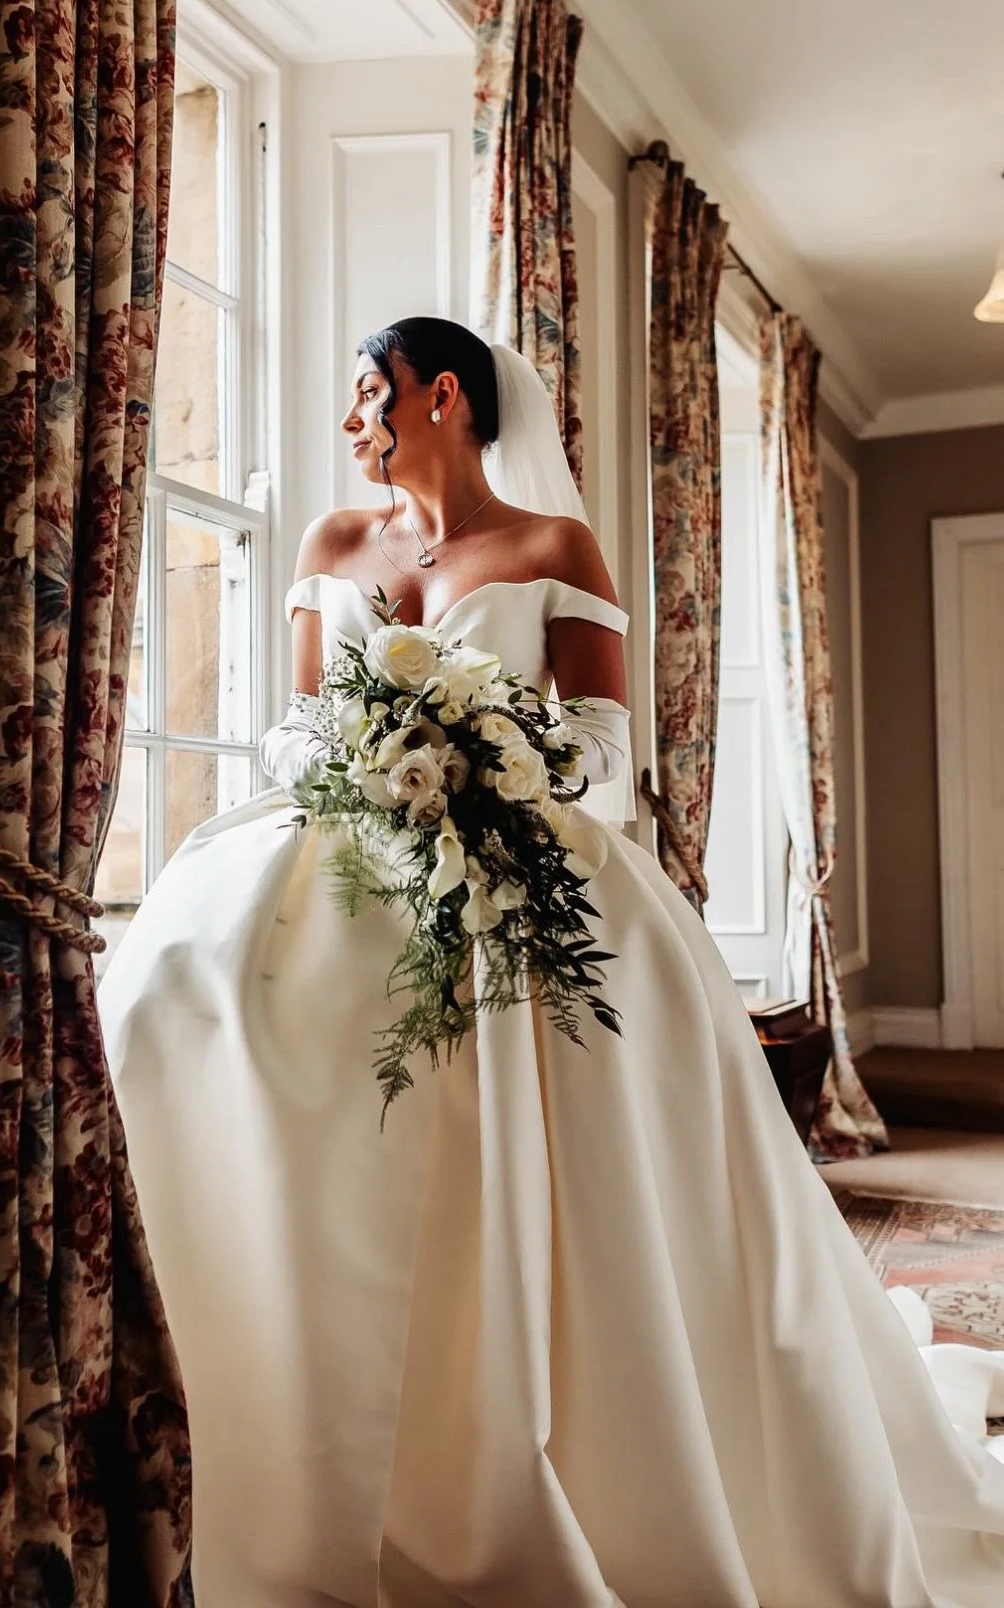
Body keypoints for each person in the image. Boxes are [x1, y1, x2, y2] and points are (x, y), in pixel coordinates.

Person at [98, 317, 1004, 1607]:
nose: (351, 425)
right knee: (192, 978)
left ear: (443, 395)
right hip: (345, 842)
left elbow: (594, 747)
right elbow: (293, 733)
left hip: (516, 844)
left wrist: (479, 764)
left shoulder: (552, 549)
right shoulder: (331, 548)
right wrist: (373, 767)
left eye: (370, 396)